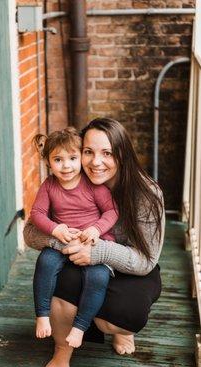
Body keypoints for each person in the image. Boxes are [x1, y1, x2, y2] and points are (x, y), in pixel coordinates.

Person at [24, 117, 165, 367]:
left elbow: (146, 260)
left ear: (122, 154)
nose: (95, 162)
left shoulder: (146, 194)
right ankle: (62, 350)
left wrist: (98, 251)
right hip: (78, 256)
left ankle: (119, 331)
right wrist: (61, 240)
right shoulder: (64, 182)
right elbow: (30, 232)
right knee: (59, 278)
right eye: (88, 152)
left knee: (120, 318)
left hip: (131, 267)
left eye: (107, 153)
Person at [30, 128, 118, 348]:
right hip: (63, 241)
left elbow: (112, 211)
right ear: (48, 162)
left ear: (81, 158)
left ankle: (80, 327)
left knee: (98, 278)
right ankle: (42, 314)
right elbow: (37, 214)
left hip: (93, 242)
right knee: (45, 262)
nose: (66, 166)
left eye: (72, 158)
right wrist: (55, 229)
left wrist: (96, 229)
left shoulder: (92, 185)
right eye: (58, 159)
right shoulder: (49, 186)